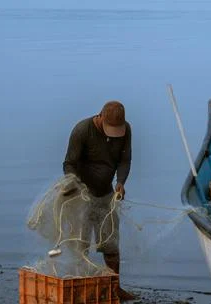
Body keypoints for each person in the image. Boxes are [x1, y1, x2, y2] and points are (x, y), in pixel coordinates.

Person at [63, 100, 135, 301]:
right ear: (100, 117)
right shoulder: (82, 130)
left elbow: (124, 160)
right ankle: (80, 288)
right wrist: (75, 185)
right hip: (82, 196)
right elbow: (69, 164)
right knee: (81, 244)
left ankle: (114, 288)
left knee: (111, 244)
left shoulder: (126, 129)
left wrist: (120, 182)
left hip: (106, 194)